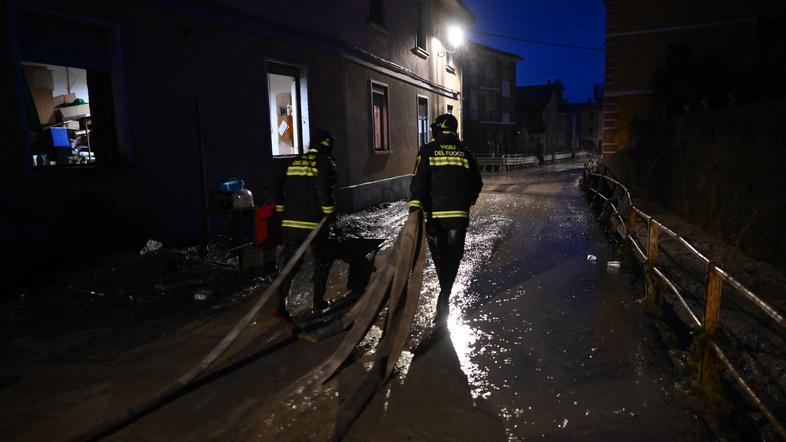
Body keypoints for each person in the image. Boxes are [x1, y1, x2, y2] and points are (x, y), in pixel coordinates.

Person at [408, 114, 483, 326]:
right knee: (453, 259)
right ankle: (444, 299)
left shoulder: (427, 151)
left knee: (441, 259)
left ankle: (444, 299)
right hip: (458, 218)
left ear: (438, 129)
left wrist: (416, 207)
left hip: (434, 218)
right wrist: (467, 201)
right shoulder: (466, 152)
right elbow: (477, 183)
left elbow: (418, 183)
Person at [273, 129, 338, 321]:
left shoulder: (294, 160)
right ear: (326, 144)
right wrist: (330, 217)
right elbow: (325, 191)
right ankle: (318, 302)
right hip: (314, 225)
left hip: (291, 223)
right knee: (323, 261)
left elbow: (274, 183)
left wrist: (280, 208)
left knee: (289, 265)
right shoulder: (326, 163)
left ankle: (280, 308)